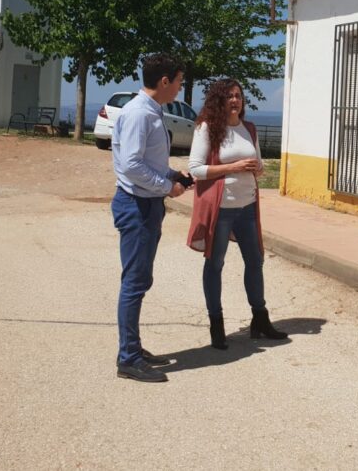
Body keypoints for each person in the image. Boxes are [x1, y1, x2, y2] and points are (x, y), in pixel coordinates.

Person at [187, 78, 286, 350]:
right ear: (219, 100)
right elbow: (195, 169)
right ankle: (216, 324)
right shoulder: (207, 128)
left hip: (247, 206)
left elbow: (259, 166)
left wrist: (257, 168)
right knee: (215, 264)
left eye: (238, 96)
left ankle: (260, 319)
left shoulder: (249, 128)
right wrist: (233, 167)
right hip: (221, 208)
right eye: (229, 96)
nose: (235, 100)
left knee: (255, 261)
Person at [111, 53, 190, 383]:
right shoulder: (139, 114)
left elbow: (147, 160)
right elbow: (131, 165)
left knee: (139, 280)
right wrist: (167, 187)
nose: (181, 88)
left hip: (146, 204)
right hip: (137, 206)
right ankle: (128, 358)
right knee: (135, 282)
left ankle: (133, 347)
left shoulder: (152, 110)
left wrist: (172, 175)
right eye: (179, 82)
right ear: (164, 81)